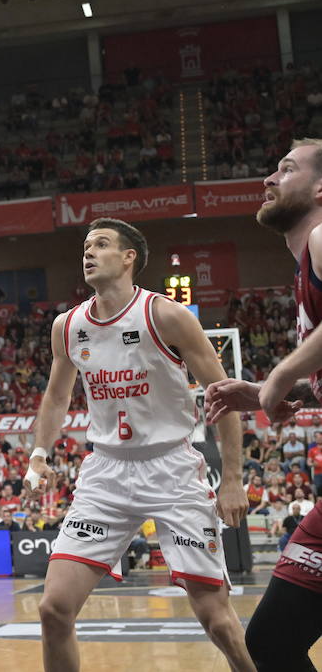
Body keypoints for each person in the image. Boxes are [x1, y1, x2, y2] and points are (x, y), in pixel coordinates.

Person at [27, 218, 250, 672]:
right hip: (106, 471)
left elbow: (225, 399)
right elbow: (55, 396)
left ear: (129, 258)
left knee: (218, 622)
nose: (88, 253)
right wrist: (39, 454)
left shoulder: (167, 315)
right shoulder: (67, 326)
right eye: (86, 246)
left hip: (171, 469)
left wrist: (231, 480)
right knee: (53, 609)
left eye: (102, 245)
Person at [205, 137, 322, 667]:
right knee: (273, 640)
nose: (269, 179)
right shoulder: (304, 267)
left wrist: (282, 372)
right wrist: (270, 389)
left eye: (287, 169)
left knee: (273, 640)